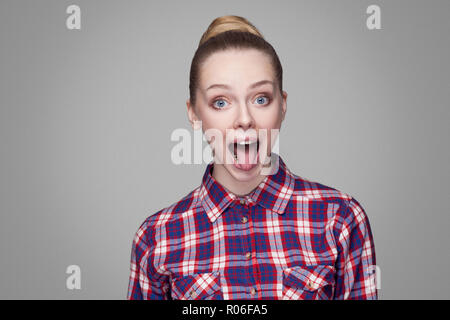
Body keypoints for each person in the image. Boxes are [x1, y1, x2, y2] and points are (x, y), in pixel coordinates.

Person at [127, 15, 377, 300]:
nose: (244, 119)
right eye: (220, 102)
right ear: (194, 113)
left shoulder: (340, 218)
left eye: (260, 99)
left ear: (282, 105)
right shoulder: (156, 238)